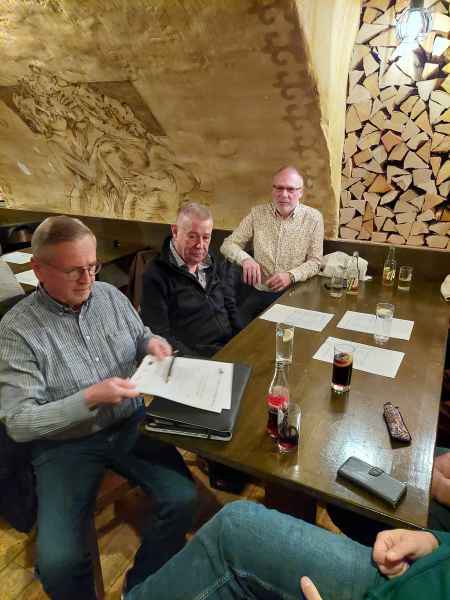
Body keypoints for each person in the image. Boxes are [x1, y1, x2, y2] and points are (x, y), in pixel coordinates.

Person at [0, 216, 197, 600]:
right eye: (74, 270)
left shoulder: (108, 295)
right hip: (65, 445)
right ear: (38, 269)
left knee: (183, 500)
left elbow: (140, 334)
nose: (87, 279)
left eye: (92, 266)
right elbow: (19, 423)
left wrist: (151, 344)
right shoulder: (16, 331)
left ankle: (139, 586)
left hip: (129, 423)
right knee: (58, 563)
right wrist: (88, 398)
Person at [125, 499, 450, 600]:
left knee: (232, 530)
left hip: (393, 590)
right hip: (425, 572)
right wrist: (436, 541)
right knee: (236, 527)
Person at [220, 166, 324, 324]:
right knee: (239, 331)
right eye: (279, 188)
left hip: (294, 294)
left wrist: (291, 276)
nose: (284, 194)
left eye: (291, 189)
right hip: (259, 293)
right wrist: (245, 259)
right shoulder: (257, 214)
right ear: (273, 190)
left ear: (300, 192)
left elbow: (315, 262)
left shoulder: (314, 218)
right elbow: (228, 244)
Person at [141, 202, 242, 358]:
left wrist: (242, 335)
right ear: (175, 231)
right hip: (198, 358)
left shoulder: (210, 260)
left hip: (230, 346)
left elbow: (228, 303)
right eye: (192, 236)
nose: (200, 245)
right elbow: (159, 334)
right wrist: (199, 361)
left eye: (206, 237)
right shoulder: (155, 275)